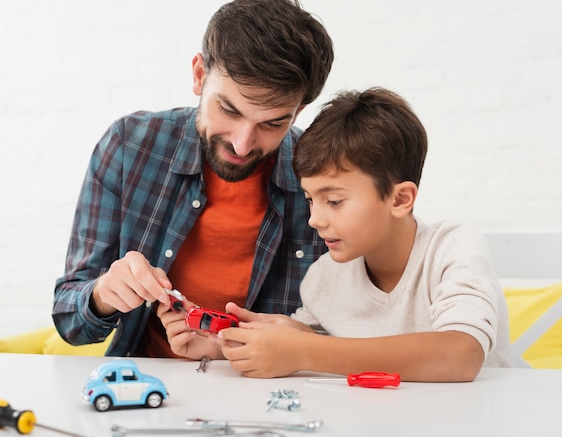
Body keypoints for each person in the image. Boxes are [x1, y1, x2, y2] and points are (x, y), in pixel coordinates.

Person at [52, 0, 334, 358]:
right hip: (147, 392)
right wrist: (104, 293)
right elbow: (69, 322)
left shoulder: (319, 175)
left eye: (272, 123)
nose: (243, 144)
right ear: (200, 76)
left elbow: (355, 329)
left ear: (298, 113)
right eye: (229, 110)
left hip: (271, 398)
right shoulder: (130, 146)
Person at [212, 88, 514, 381]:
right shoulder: (324, 277)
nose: (315, 219)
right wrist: (223, 343)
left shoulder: (452, 248)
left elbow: (461, 355)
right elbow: (312, 344)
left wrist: (302, 350)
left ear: (399, 199)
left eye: (334, 201)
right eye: (310, 199)